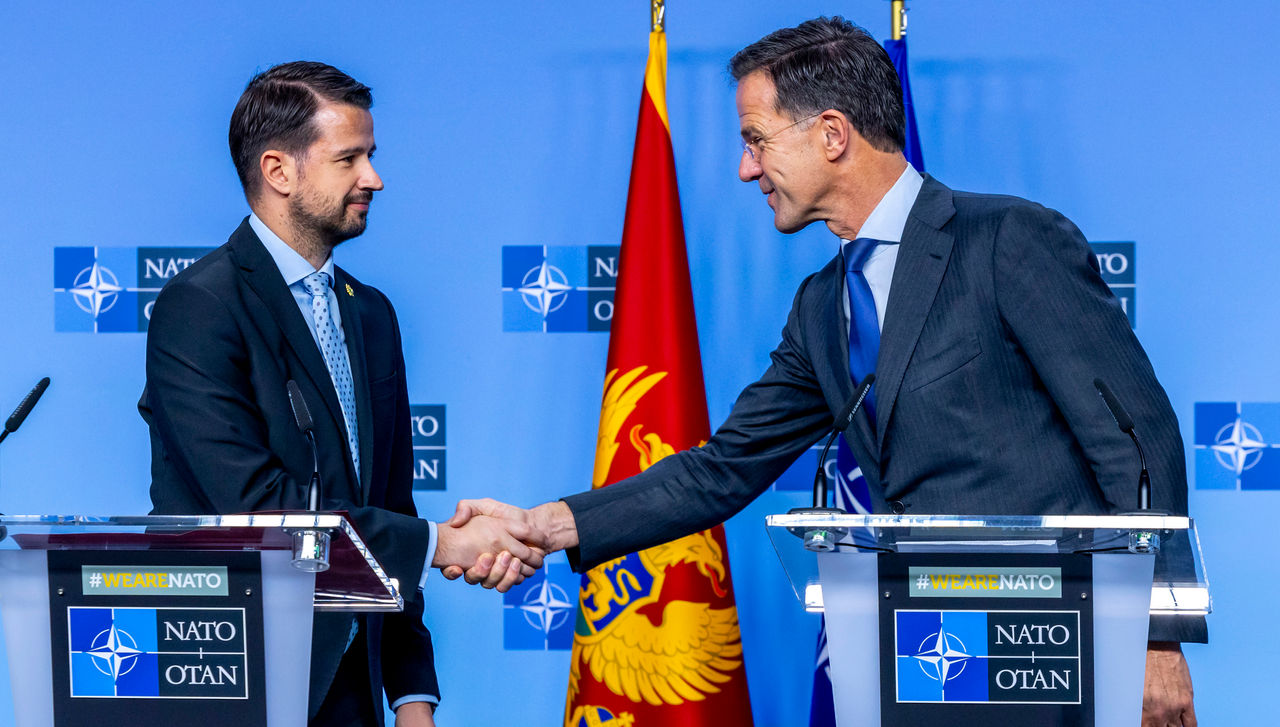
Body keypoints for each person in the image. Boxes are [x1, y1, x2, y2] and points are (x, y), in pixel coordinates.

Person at [446, 17, 1202, 727]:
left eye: (755, 140)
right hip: (926, 660)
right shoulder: (821, 305)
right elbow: (721, 469)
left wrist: (1156, 635)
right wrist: (542, 526)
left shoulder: (1005, 238)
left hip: (1049, 657)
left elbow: (1136, 437)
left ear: (833, 134)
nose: (746, 170)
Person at [139, 61, 539, 727]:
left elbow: (387, 502)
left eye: (371, 156)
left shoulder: (373, 313)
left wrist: (411, 693)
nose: (374, 178)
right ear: (279, 171)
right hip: (230, 682)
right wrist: (443, 543)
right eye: (349, 158)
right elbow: (259, 510)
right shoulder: (199, 306)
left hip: (354, 687)